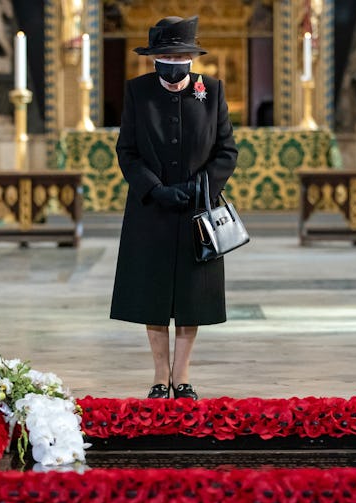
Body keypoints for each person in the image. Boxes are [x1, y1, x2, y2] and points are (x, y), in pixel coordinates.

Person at [110, 16, 238, 400]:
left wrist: (200, 186)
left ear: (191, 57)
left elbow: (226, 151)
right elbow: (127, 151)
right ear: (153, 59)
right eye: (165, 55)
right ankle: (157, 377)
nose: (172, 61)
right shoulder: (138, 92)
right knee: (152, 295)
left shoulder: (211, 91)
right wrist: (156, 189)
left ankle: (181, 378)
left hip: (197, 212)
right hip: (151, 211)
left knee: (190, 298)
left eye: (179, 54)